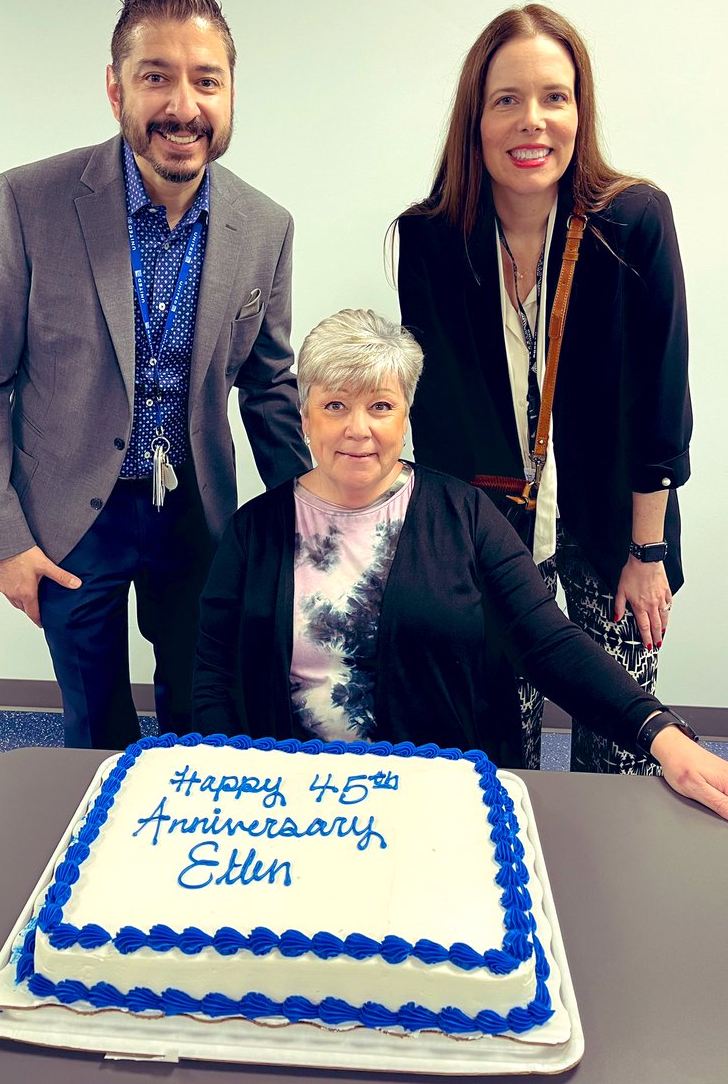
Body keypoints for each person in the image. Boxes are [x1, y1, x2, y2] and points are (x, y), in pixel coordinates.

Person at [0, 0, 310, 750]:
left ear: (231, 91)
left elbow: (268, 386)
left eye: (206, 80)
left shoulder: (266, 226)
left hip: (198, 517)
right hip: (70, 521)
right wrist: (2, 541)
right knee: (93, 729)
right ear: (116, 91)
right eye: (155, 78)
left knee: (203, 715)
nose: (183, 105)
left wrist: (309, 525)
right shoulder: (27, 203)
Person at [192, 309, 727, 821]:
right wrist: (232, 781)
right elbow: (214, 674)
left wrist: (661, 733)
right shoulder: (255, 529)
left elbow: (547, 641)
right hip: (289, 801)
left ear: (405, 415)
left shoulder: (465, 516)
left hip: (431, 799)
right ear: (305, 416)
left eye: (380, 406)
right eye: (335, 406)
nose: (359, 429)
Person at [396, 5, 692, 774]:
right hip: (494, 535)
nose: (533, 122)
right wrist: (449, 557)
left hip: (619, 524)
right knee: (499, 747)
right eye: (507, 100)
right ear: (477, 115)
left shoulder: (633, 223)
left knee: (620, 746)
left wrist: (648, 550)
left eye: (555, 97)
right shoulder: (430, 240)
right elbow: (441, 420)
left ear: (579, 109)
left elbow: (660, 403)